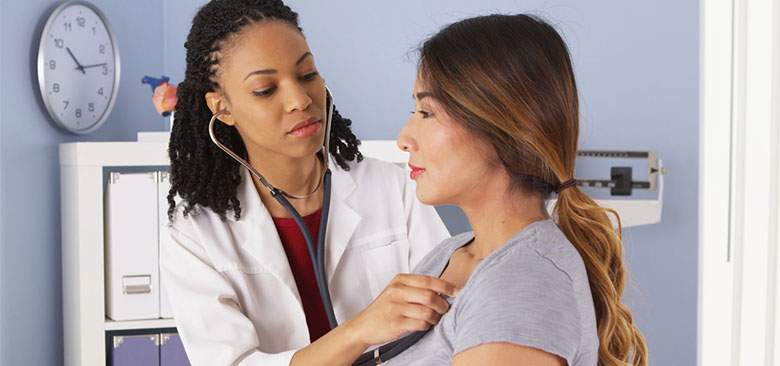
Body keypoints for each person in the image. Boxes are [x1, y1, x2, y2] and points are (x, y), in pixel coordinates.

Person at [160, 1, 455, 365]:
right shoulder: (196, 233)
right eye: (266, 89)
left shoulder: (394, 189)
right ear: (223, 108)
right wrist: (361, 329)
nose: (300, 100)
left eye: (307, 75)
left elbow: (452, 318)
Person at [358, 14, 648, 366]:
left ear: (498, 126)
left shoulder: (522, 284)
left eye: (427, 112)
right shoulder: (449, 255)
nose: (404, 139)